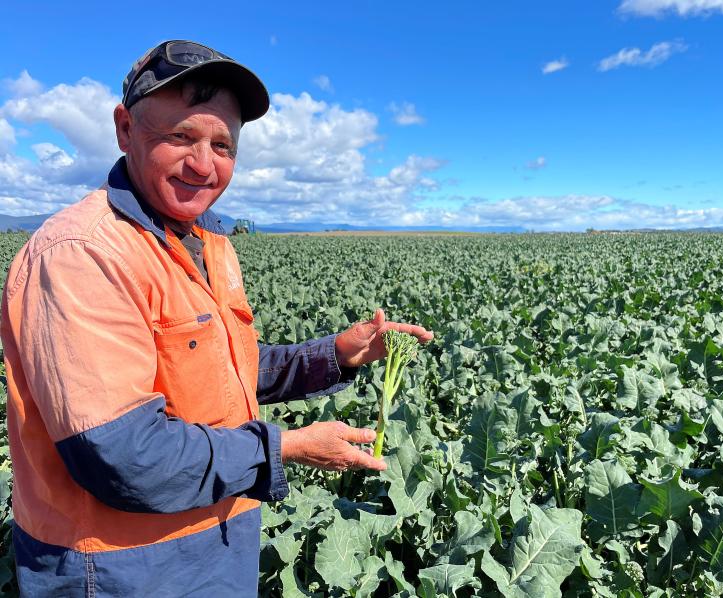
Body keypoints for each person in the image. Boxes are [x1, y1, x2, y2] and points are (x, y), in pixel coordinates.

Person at [0, 40, 433, 596]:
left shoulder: (206, 241)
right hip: (120, 569)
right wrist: (286, 448)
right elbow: (123, 456)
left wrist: (338, 353)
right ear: (125, 129)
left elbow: (218, 374)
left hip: (215, 540)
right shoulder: (83, 254)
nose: (203, 165)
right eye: (180, 137)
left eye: (221, 145)